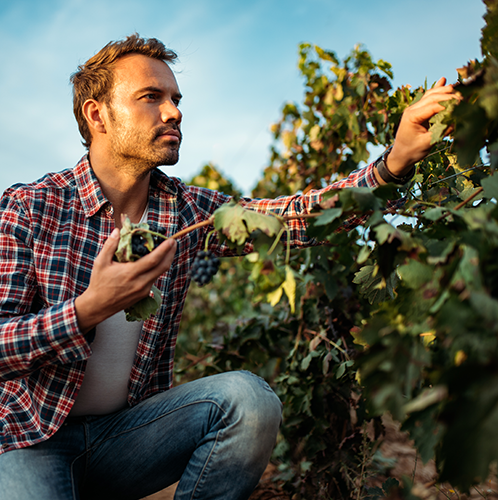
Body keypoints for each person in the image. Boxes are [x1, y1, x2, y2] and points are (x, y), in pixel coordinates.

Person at [0, 34, 458, 500]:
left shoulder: (183, 212)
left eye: (175, 99)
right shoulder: (30, 208)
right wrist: (86, 311)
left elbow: (290, 217)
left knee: (249, 401)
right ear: (97, 114)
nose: (174, 111)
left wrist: (394, 163)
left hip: (126, 439)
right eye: (151, 97)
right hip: (30, 439)